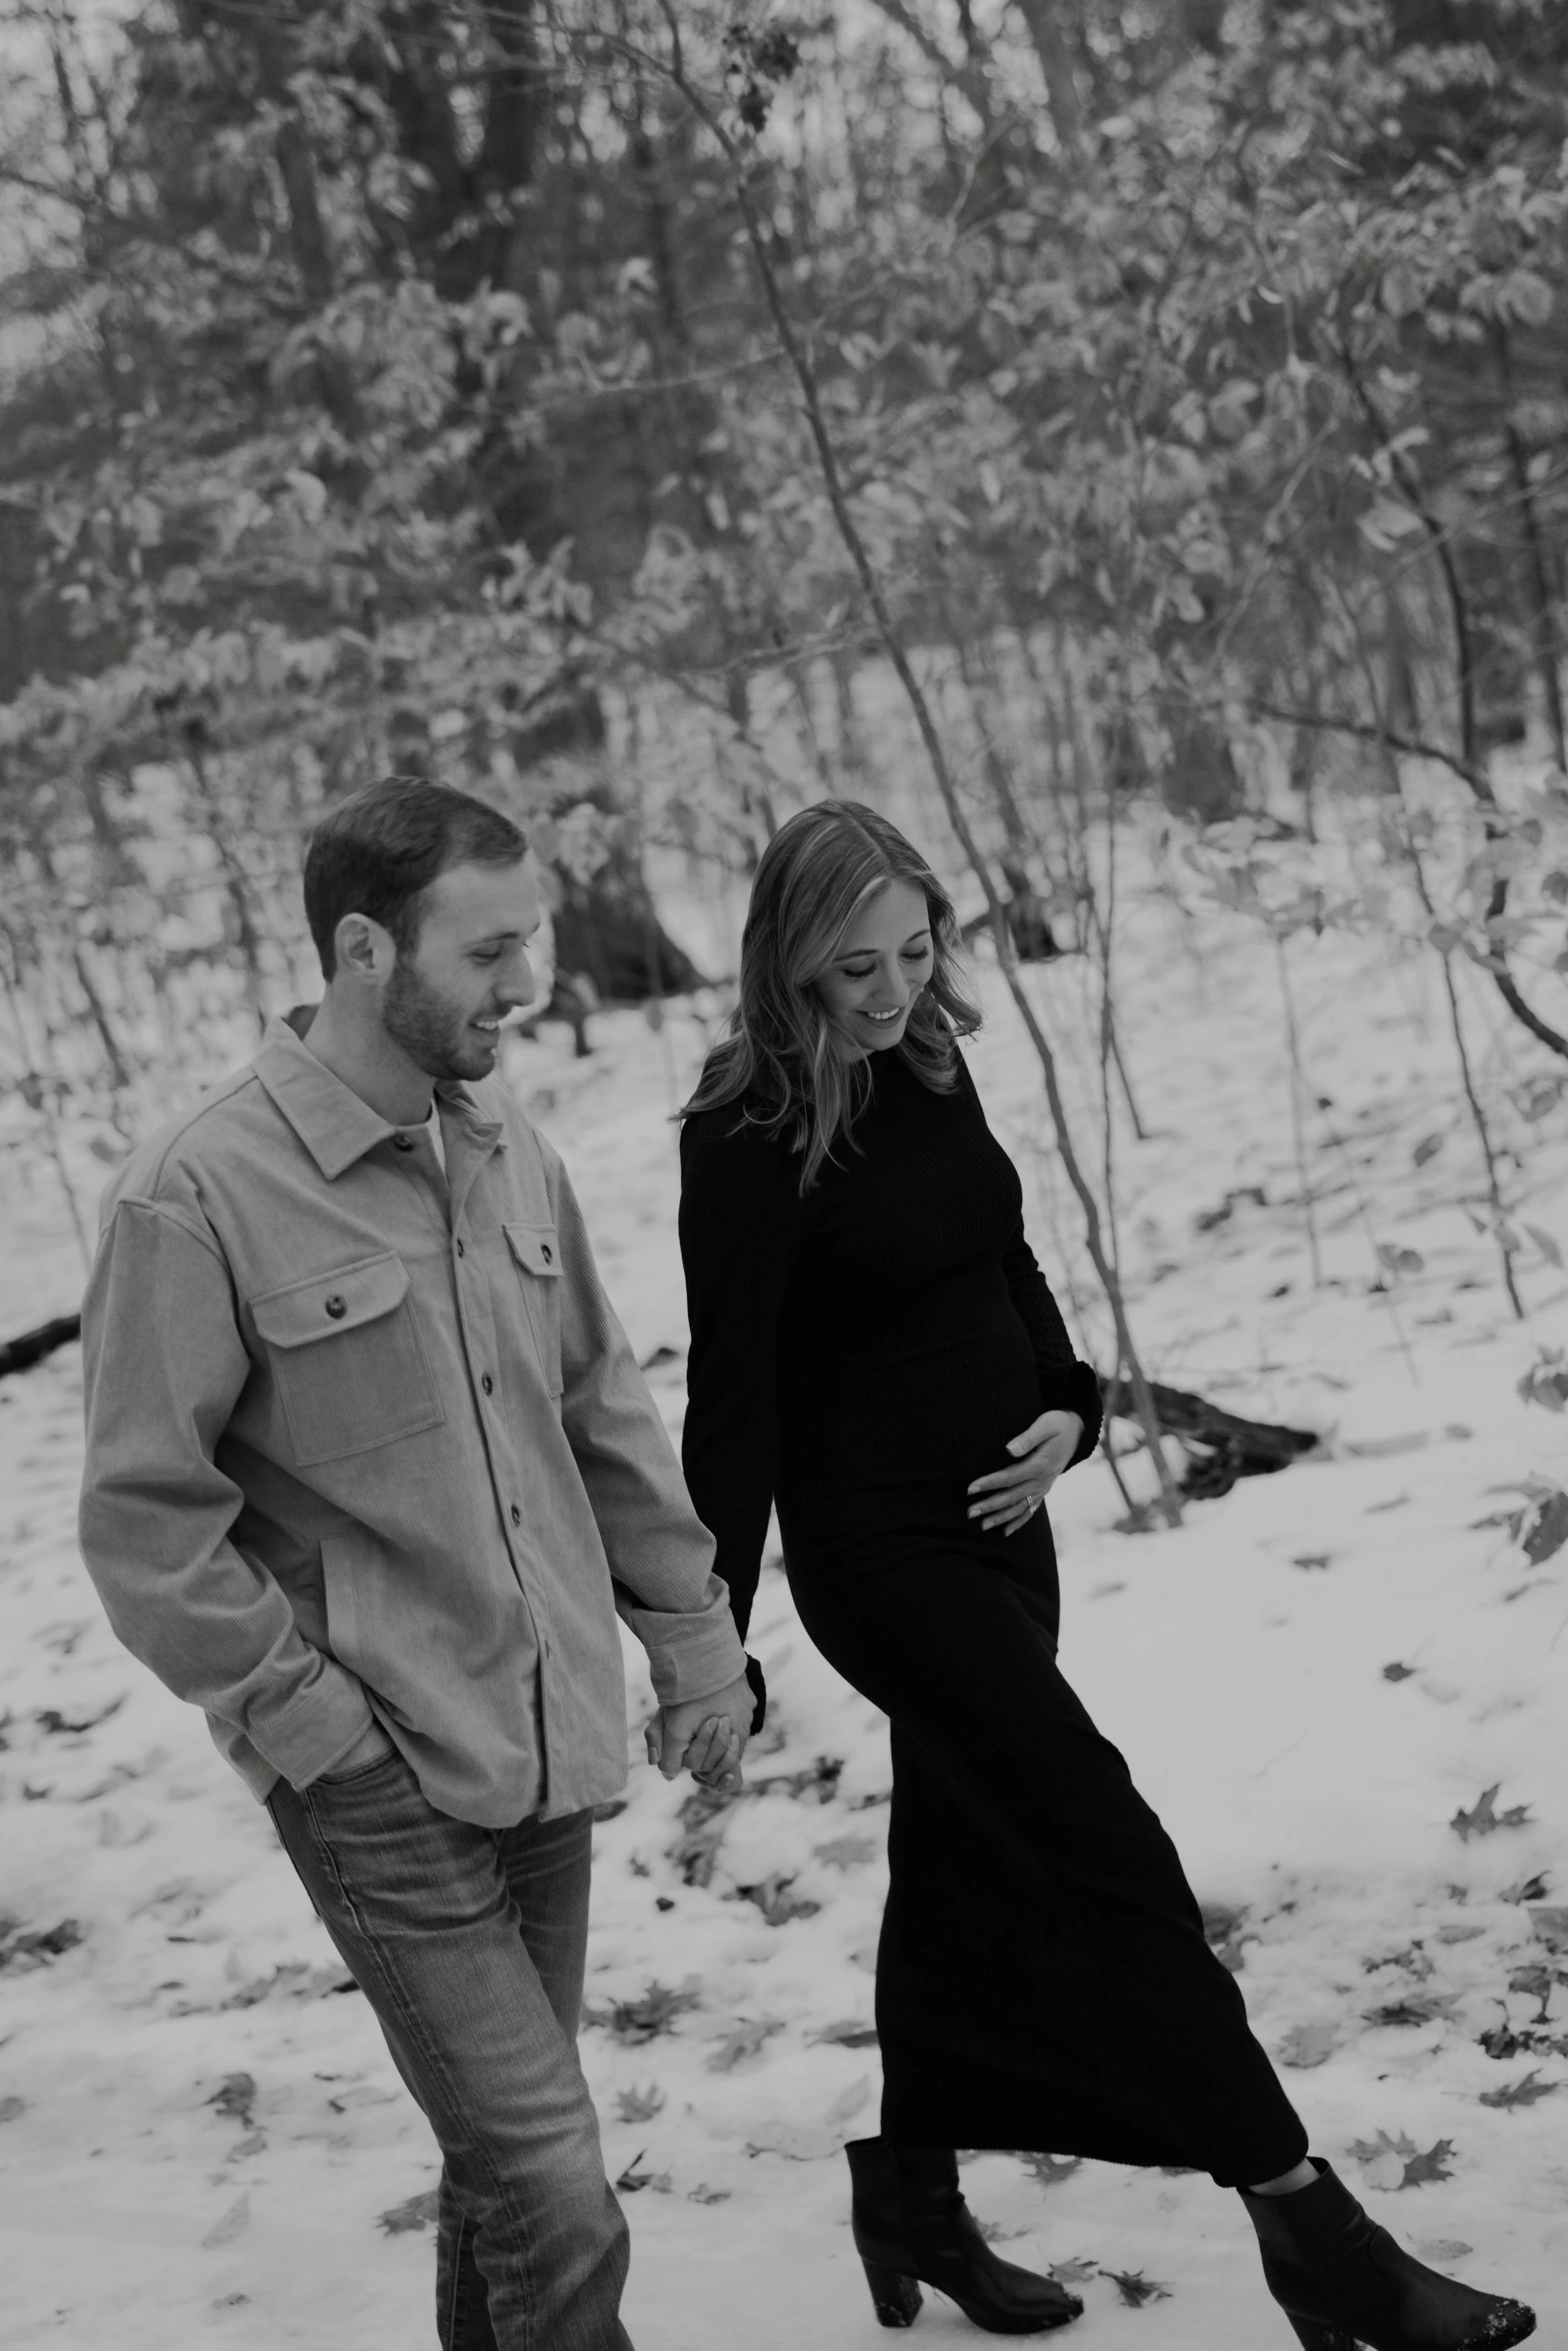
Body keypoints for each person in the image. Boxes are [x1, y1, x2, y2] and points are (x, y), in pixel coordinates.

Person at [676, 799, 1535, 2350]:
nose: (888, 990)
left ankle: (912, 2195)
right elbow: (728, 1406)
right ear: (786, 959)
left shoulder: (934, 1063)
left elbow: (1006, 1258)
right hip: (881, 1559)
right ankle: (1307, 2223)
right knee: (1102, 1844)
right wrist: (709, 1638)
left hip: (1012, 1537)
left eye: (916, 948)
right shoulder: (739, 1138)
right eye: (851, 965)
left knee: (956, 1858)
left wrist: (1072, 1404)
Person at [78, 777, 755, 2351]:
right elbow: (142, 1519)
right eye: (493, 949)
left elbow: (601, 1405)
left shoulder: (505, 1141)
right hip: (380, 1767)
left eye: (531, 939)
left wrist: (695, 1639)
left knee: (502, 2171)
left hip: (545, 1735)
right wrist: (314, 1732)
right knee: (557, 2176)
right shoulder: (197, 1190)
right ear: (368, 948)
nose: (533, 983)